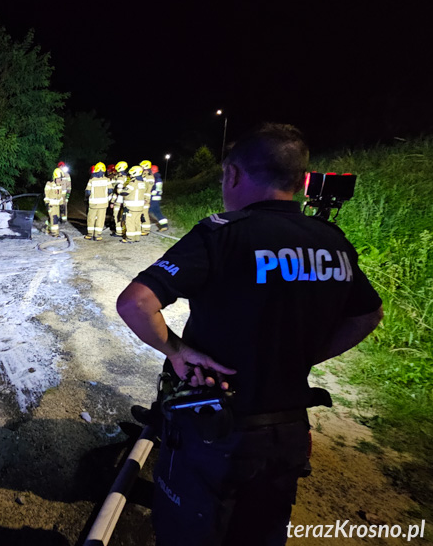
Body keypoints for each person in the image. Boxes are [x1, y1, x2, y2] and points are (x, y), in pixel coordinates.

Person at [116, 123, 383, 546]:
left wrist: (179, 351)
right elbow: (368, 315)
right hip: (288, 432)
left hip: (216, 429)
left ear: (234, 176)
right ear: (300, 181)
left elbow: (134, 303)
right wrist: (304, 356)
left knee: (188, 533)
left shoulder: (224, 234)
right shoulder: (332, 241)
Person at [118, 164, 149, 243]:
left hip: (131, 207)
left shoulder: (133, 182)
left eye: (131, 173)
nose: (130, 174)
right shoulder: (142, 183)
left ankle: (130, 238)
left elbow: (125, 192)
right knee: (137, 222)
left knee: (130, 222)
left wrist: (119, 190)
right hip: (139, 207)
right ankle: (137, 238)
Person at [84, 162, 112, 240]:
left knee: (91, 218)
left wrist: (88, 198)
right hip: (103, 204)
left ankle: (90, 234)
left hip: (93, 204)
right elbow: (110, 190)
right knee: (100, 219)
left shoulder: (91, 180)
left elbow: (87, 192)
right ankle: (97, 235)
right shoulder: (107, 180)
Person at [148, 164, 170, 232]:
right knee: (157, 212)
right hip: (156, 198)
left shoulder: (156, 179)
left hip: (154, 198)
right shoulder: (157, 178)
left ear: (152, 171)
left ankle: (142, 226)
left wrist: (149, 193)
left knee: (146, 211)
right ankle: (164, 225)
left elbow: (156, 190)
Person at [110, 161, 129, 236]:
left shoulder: (120, 178)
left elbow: (117, 191)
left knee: (117, 216)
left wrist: (112, 201)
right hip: (125, 200)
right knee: (123, 216)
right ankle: (124, 230)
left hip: (118, 200)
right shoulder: (127, 177)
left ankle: (119, 232)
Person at [44, 168, 65, 237]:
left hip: (57, 205)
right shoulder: (49, 184)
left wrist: (62, 204)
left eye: (60, 178)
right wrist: (47, 203)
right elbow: (46, 194)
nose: (59, 180)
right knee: (54, 219)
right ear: (55, 178)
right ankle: (55, 233)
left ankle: (47, 228)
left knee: (53, 218)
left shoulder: (59, 185)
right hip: (51, 205)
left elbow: (60, 196)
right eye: (58, 178)